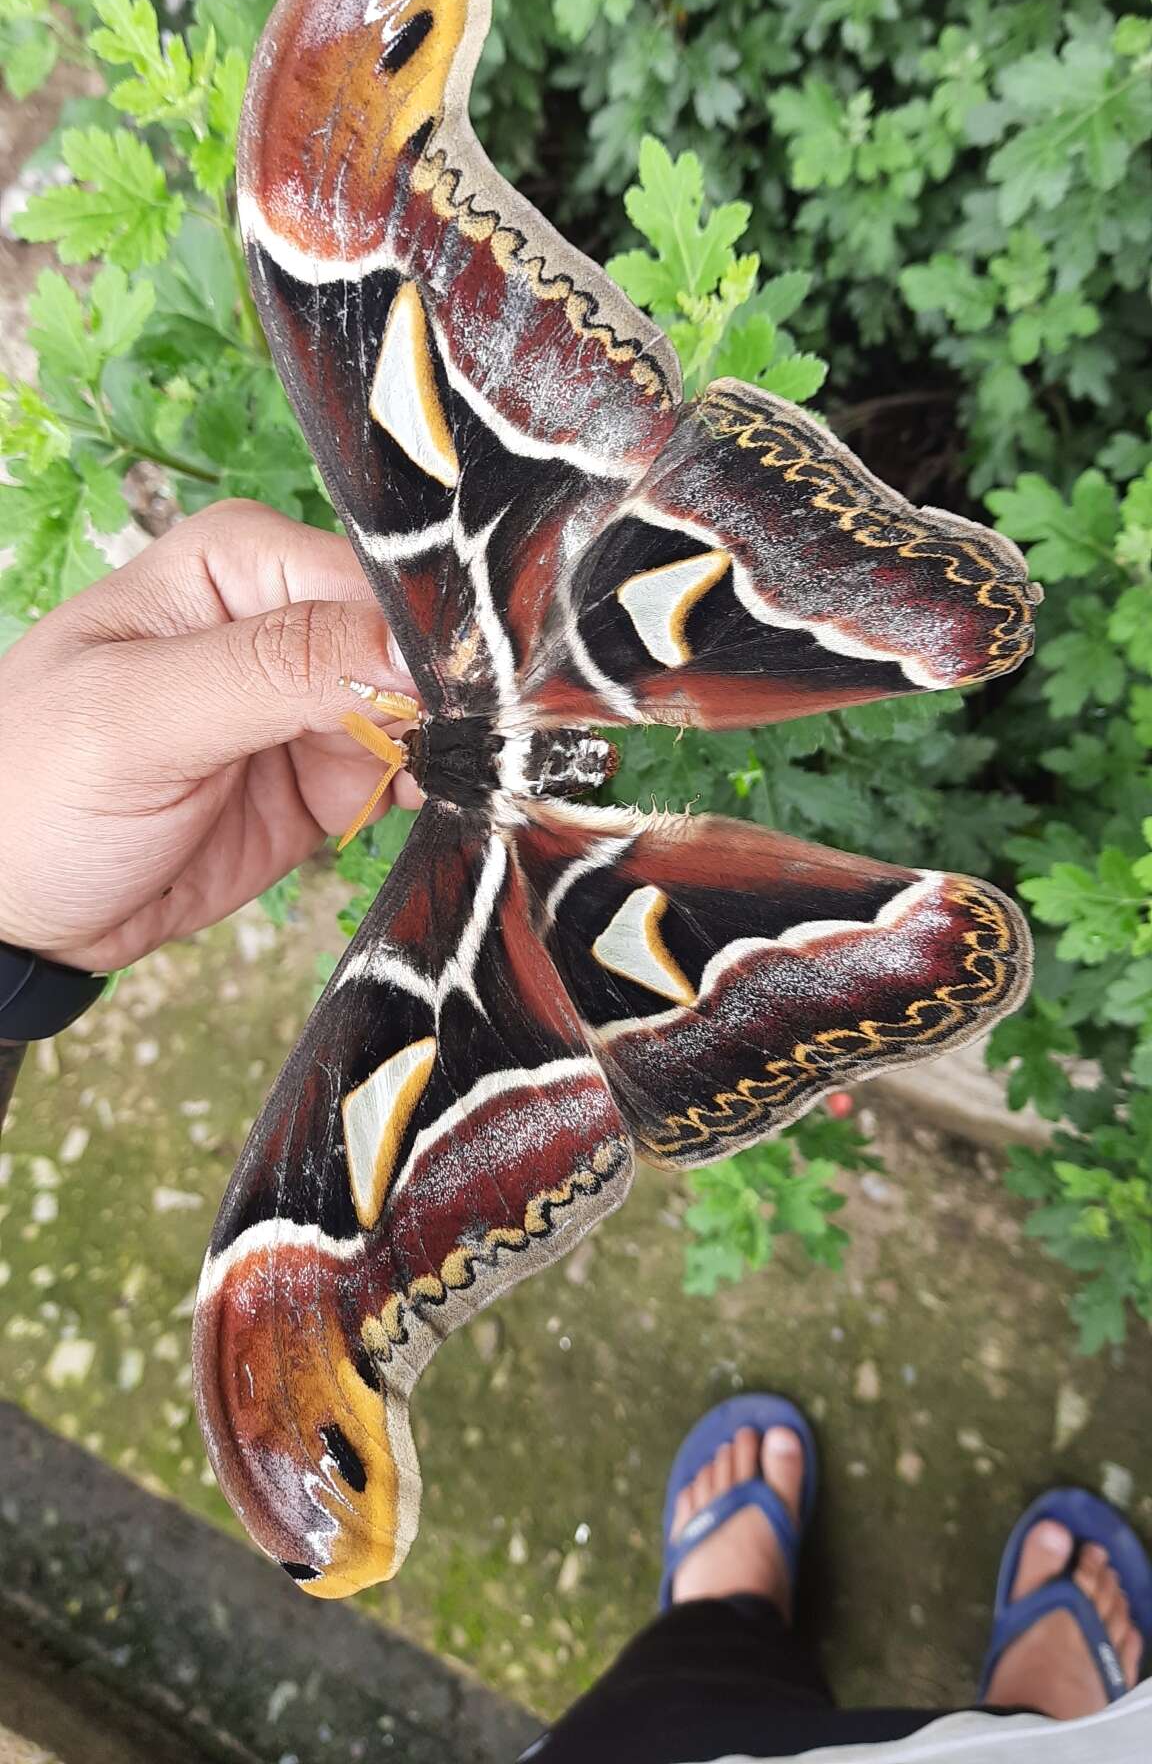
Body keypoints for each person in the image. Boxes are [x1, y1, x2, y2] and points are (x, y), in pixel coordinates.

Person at [1, 500, 1148, 1763]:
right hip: (540, 745)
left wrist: (15, 927)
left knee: (670, 1714)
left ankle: (733, 1625)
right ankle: (1029, 1713)